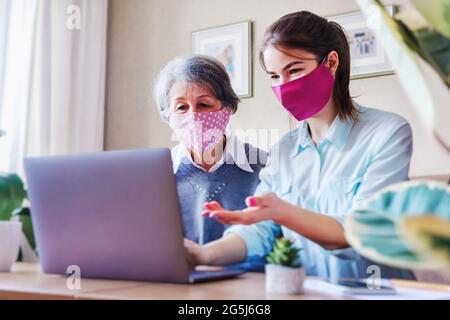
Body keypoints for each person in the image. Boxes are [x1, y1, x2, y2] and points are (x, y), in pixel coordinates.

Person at [184, 11, 415, 280]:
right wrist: (201, 255)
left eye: (294, 70)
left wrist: (283, 212)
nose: (284, 86)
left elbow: (358, 232)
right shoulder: (283, 150)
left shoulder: (388, 132)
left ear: (330, 62)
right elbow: (259, 232)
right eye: (274, 76)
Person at [154, 55, 267, 270]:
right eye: (181, 108)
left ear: (228, 108)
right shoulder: (156, 174)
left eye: (204, 104)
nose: (193, 116)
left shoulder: (265, 166)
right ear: (168, 116)